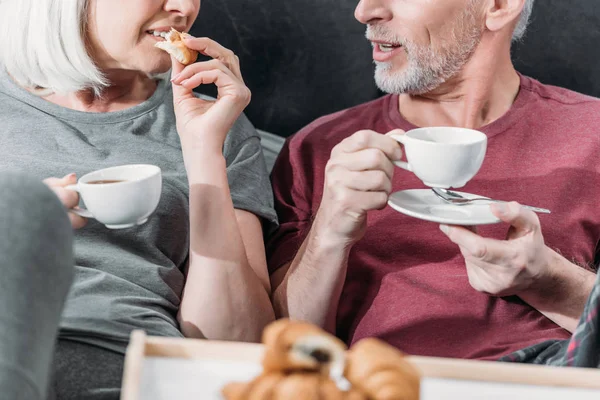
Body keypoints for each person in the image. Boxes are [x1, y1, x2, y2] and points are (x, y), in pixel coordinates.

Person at [267, 0, 600, 364]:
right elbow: (283, 346)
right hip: (383, 383)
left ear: (500, 6)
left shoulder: (591, 133)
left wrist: (551, 282)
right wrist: (329, 234)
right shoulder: (318, 149)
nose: (365, 11)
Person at [0, 0, 277, 398]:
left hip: (130, 369)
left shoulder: (219, 125)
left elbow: (234, 345)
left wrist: (202, 150)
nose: (185, 6)